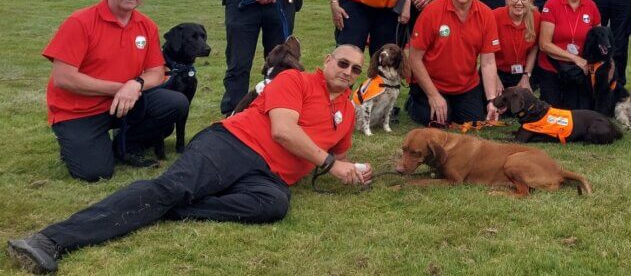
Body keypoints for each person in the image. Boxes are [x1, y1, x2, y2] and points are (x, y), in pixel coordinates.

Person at [7, 46, 373, 274]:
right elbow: (283, 131)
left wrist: (354, 169)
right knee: (172, 187)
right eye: (343, 62)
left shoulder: (347, 112)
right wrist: (331, 165)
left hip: (269, 178)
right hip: (234, 144)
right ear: (327, 60)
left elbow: (339, 155)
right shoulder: (295, 80)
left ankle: (170, 208)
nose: (348, 72)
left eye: (356, 69)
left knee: (273, 205)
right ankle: (49, 240)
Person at [40, 0, 189, 180]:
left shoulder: (146, 26)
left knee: (175, 103)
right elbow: (64, 78)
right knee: (95, 173)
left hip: (125, 103)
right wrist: (120, 88)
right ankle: (77, 143)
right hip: (79, 111)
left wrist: (135, 84)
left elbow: (156, 73)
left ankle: (125, 143)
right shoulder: (80, 22)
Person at [405, 0, 503, 125]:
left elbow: (488, 62)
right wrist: (433, 96)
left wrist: (492, 100)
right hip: (433, 84)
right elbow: (414, 58)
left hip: (466, 86)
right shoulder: (431, 11)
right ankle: (414, 102)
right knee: (437, 122)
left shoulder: (486, 14)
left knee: (473, 122)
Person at [533, 0, 602, 110]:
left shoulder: (591, 6)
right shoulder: (551, 5)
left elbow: (599, 39)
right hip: (553, 67)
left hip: (579, 70)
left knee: (578, 113)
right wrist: (575, 58)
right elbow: (544, 44)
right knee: (553, 113)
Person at [494, 0, 540, 89]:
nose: (519, 3)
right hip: (497, 71)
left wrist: (526, 76)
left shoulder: (536, 17)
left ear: (530, 0)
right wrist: (495, 79)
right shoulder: (494, 16)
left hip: (524, 72)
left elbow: (534, 48)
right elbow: (487, 53)